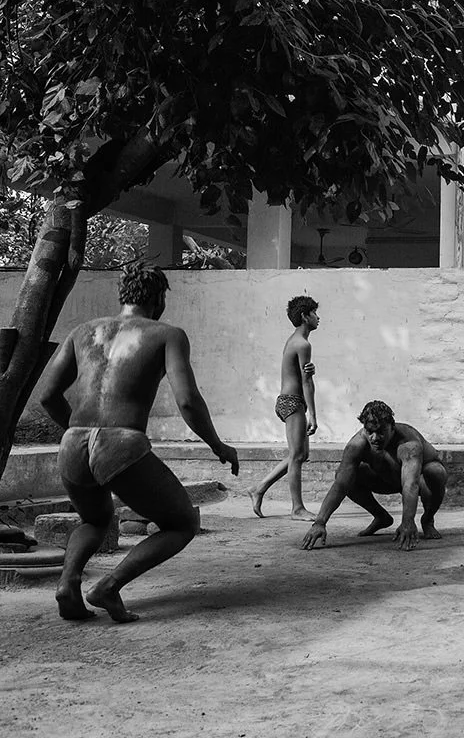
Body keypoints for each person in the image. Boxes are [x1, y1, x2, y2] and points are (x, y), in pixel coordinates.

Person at [38, 264, 239, 622]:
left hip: (72, 442)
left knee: (95, 520)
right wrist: (218, 446)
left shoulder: (82, 332)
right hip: (122, 443)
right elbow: (188, 401)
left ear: (124, 295)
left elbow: (48, 395)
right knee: (182, 523)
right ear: (159, 299)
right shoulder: (167, 334)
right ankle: (108, 586)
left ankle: (68, 584)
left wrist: (78, 430)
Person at [300, 401, 448, 551]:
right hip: (384, 480)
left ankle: (428, 519)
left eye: (381, 431)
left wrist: (407, 521)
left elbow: (411, 484)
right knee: (344, 474)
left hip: (418, 480)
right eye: (370, 431)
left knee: (435, 471)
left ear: (392, 427)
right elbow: (341, 484)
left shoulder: (408, 445)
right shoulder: (357, 444)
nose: (375, 438)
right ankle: (381, 517)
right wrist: (319, 522)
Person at [250, 295, 319, 520]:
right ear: (304, 316)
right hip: (292, 401)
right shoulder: (302, 343)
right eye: (314, 313)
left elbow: (303, 375)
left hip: (289, 401)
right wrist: (314, 416)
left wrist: (309, 373)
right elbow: (306, 382)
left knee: (300, 454)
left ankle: (259, 488)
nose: (318, 318)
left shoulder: (294, 341)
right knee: (298, 456)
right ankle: (297, 508)